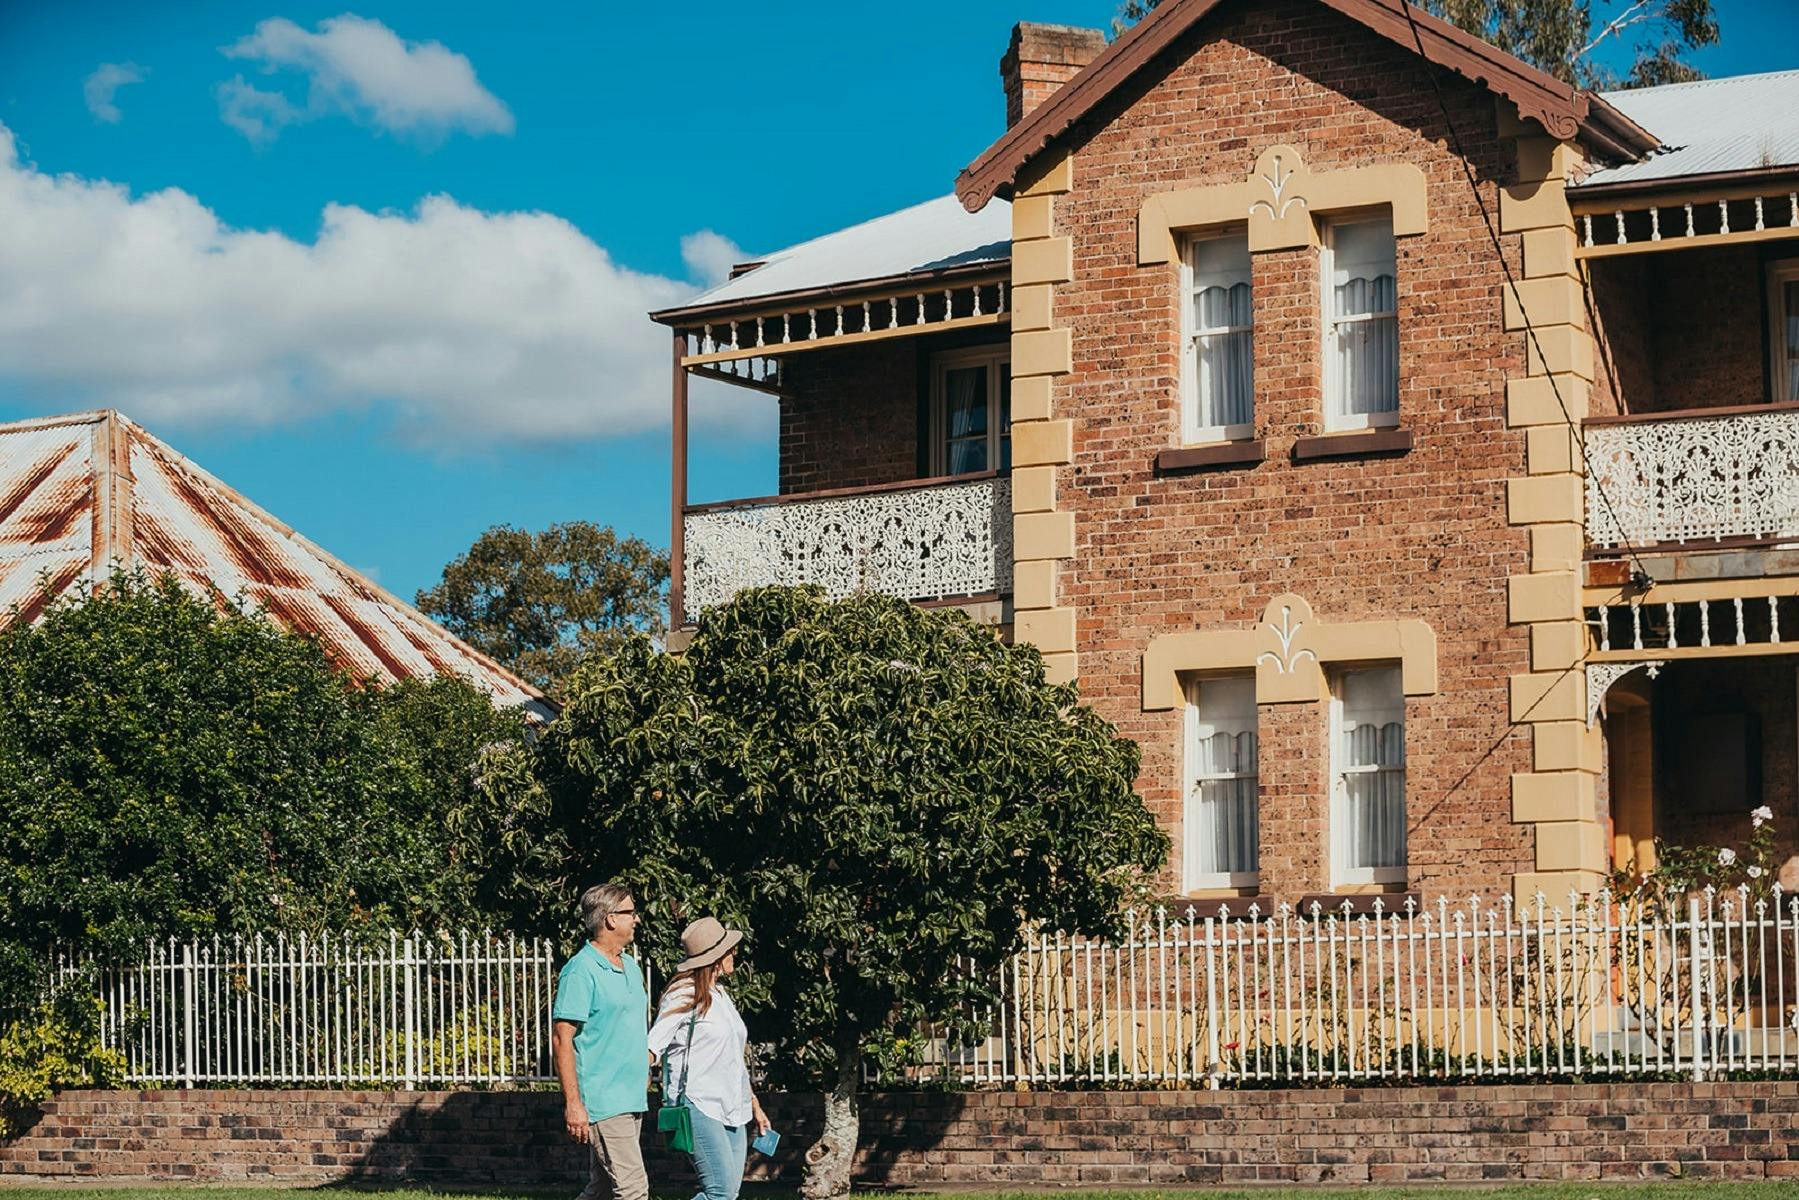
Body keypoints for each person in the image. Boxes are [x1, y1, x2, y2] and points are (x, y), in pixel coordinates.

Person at [647, 917, 771, 1200]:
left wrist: (755, 1105)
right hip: (699, 1103)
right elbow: (654, 1045)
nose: (734, 954)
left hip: (733, 1106)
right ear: (715, 958)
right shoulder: (683, 994)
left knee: (729, 1193)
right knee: (720, 1193)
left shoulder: (722, 995)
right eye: (729, 950)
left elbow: (733, 1059)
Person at [553, 883, 650, 1200]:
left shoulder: (631, 968)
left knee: (603, 1189)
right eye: (630, 912)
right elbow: (562, 1039)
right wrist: (573, 1104)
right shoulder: (581, 971)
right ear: (610, 919)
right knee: (634, 1188)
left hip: (632, 1096)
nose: (636, 919)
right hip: (605, 1099)